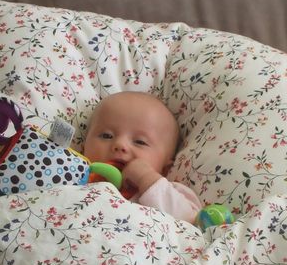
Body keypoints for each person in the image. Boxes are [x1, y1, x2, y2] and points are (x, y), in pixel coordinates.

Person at [83, 91, 202, 224]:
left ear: (165, 168)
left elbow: (190, 223)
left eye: (140, 142)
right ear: (84, 145)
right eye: (106, 136)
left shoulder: (167, 192)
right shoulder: (72, 176)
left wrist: (147, 177)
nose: (120, 144)